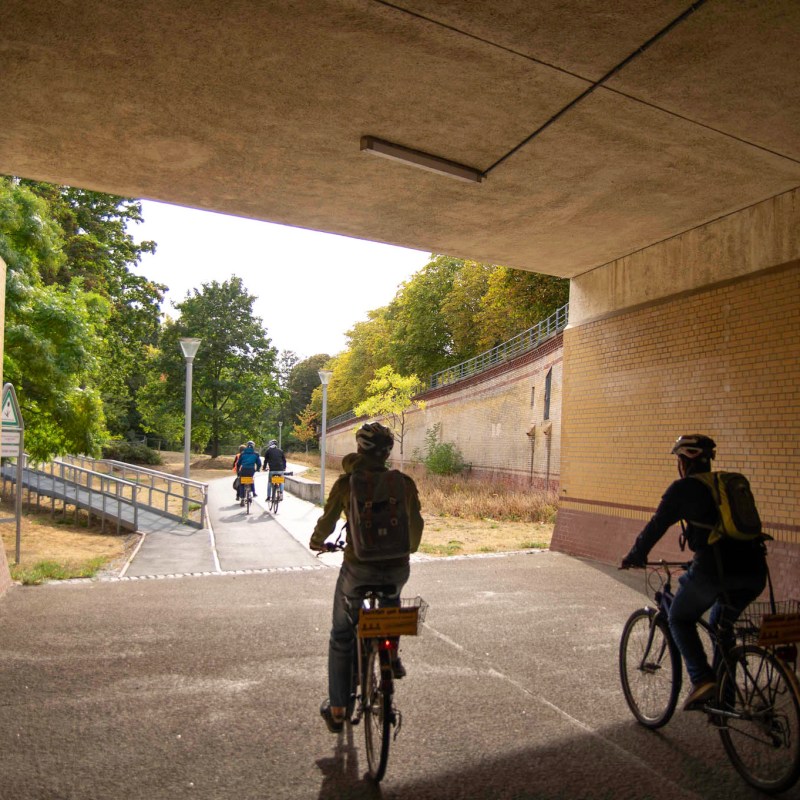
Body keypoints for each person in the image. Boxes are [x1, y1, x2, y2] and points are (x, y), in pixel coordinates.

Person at [620, 434, 767, 710]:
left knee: (678, 617)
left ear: (684, 461)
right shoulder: (725, 484)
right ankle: (725, 701)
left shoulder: (683, 489)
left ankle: (702, 680)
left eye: (678, 459)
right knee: (721, 628)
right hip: (756, 569)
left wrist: (635, 556)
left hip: (717, 571)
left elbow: (656, 525)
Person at [309, 422, 424, 733]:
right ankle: (392, 654)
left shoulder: (348, 483)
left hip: (358, 568)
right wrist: (403, 549)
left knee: (342, 634)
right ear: (388, 452)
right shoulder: (404, 483)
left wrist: (317, 541)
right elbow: (415, 534)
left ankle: (336, 710)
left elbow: (328, 520)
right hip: (398, 567)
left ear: (359, 449)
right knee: (391, 596)